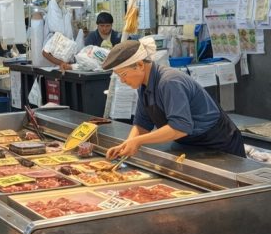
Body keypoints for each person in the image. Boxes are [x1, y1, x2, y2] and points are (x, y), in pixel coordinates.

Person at [103, 39, 246, 159]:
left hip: (219, 145)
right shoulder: (144, 86)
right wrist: (127, 144)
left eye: (123, 74)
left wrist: (138, 141)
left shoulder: (170, 82)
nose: (122, 80)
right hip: (190, 145)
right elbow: (142, 124)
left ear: (140, 65)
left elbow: (180, 127)